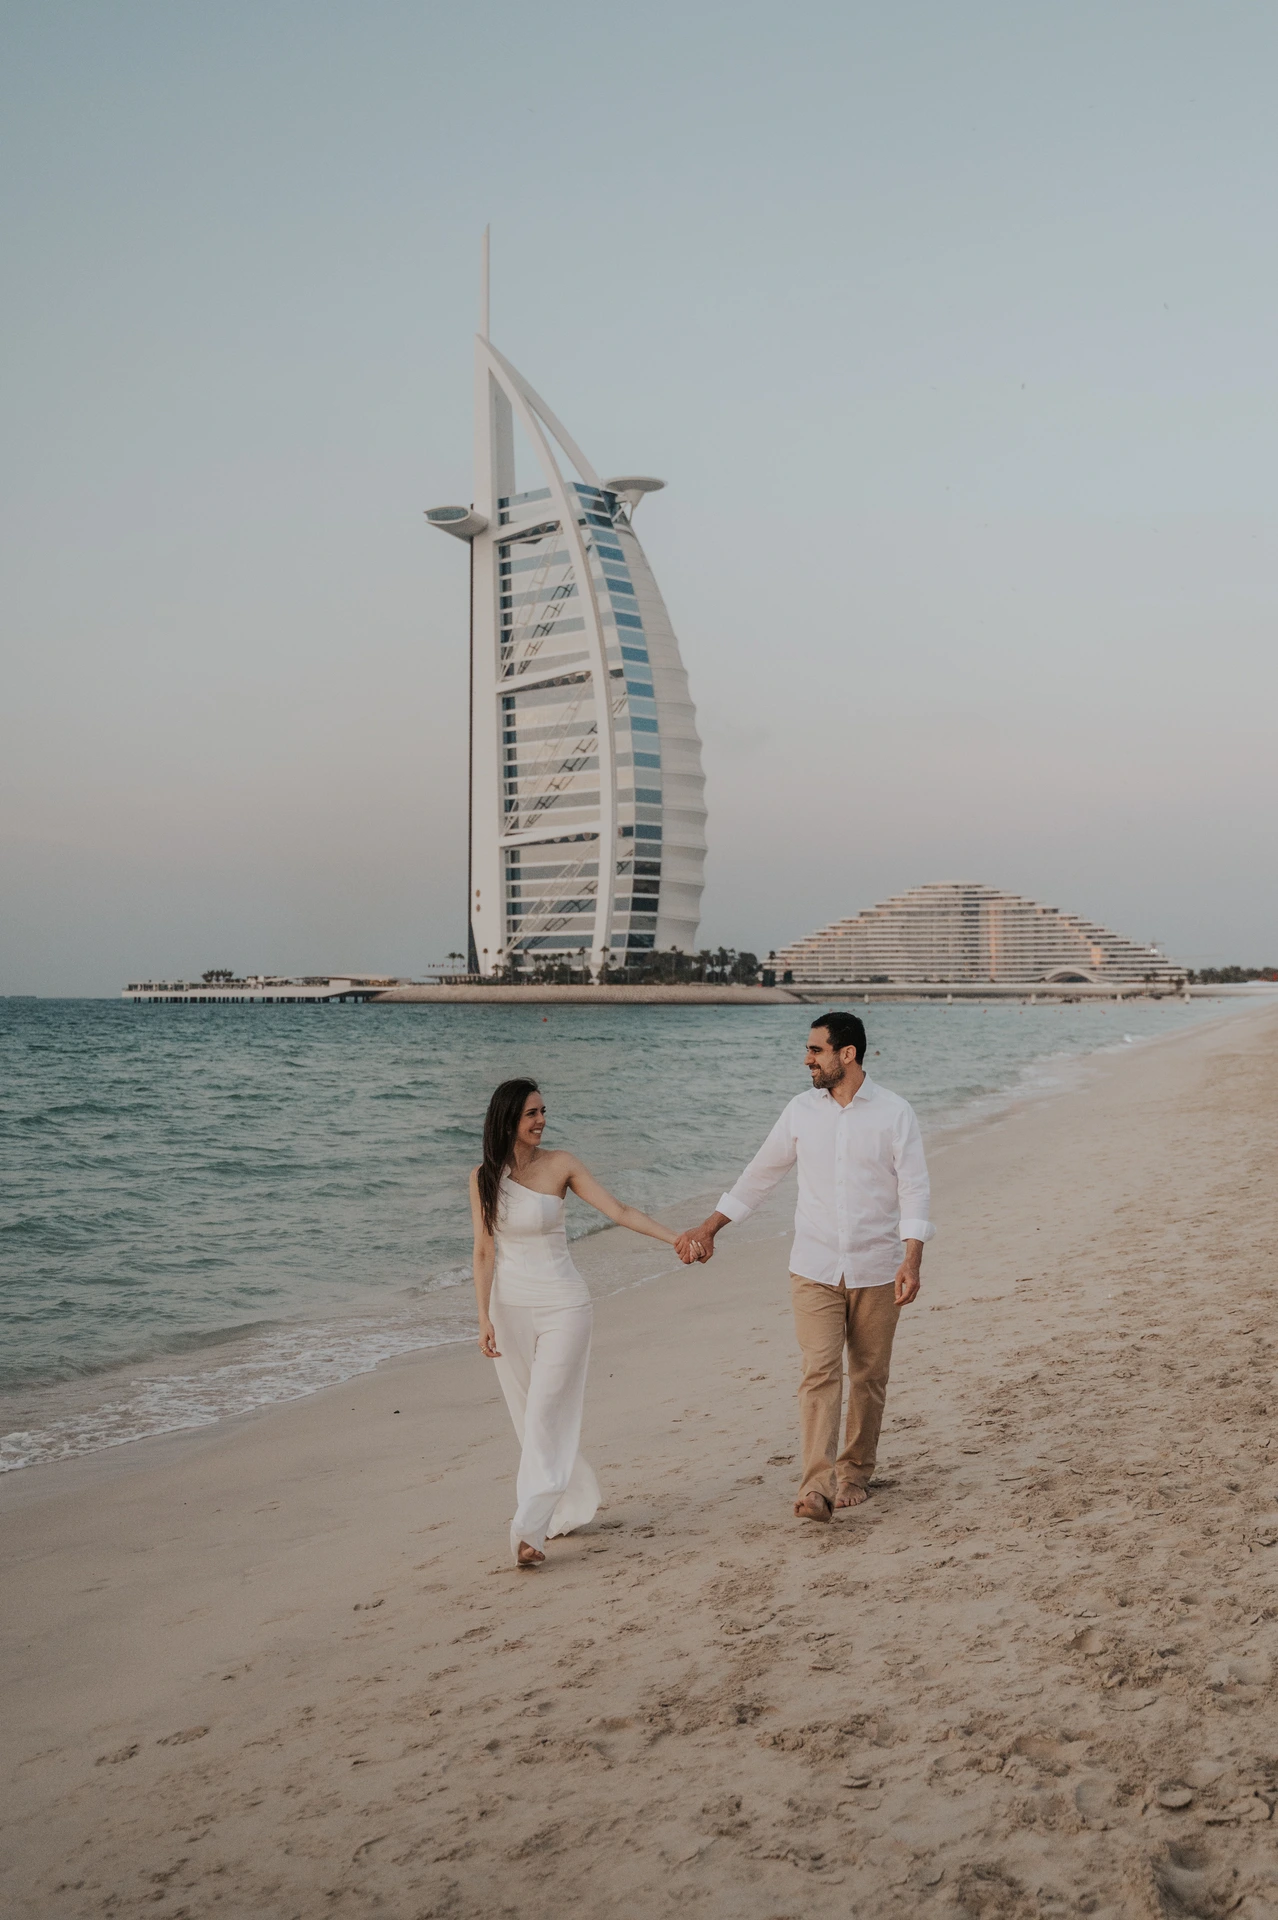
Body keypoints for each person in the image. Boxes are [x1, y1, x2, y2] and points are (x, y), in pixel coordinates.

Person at [676, 1013, 934, 1524]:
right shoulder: (800, 1111)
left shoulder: (894, 1112)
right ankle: (817, 1486)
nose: (806, 1059)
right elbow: (759, 1176)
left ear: (847, 1055)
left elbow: (914, 1188)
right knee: (819, 1371)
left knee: (868, 1374)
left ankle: (855, 1472)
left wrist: (912, 1257)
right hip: (814, 1265)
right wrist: (709, 1229)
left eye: (816, 1049)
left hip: (878, 1266)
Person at [470, 1078, 701, 1569]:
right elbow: (484, 1250)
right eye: (532, 1113)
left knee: (544, 1413)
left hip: (563, 1304)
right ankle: (564, 1502)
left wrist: (675, 1238)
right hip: (508, 1309)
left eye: (543, 1111)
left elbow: (618, 1210)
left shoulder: (563, 1164)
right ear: (508, 1118)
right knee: (525, 1415)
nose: (541, 1121)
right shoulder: (482, 1178)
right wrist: (482, 1317)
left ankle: (528, 1530)